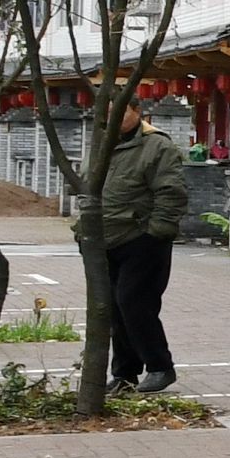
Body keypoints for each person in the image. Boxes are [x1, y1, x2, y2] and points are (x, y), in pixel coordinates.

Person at [89, 115, 196, 390]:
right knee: (115, 307)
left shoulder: (157, 146)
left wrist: (156, 231)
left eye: (122, 110)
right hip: (108, 238)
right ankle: (125, 373)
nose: (117, 117)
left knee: (134, 303)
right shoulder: (104, 143)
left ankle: (160, 366)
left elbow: (171, 191)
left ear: (137, 110)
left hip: (142, 238)